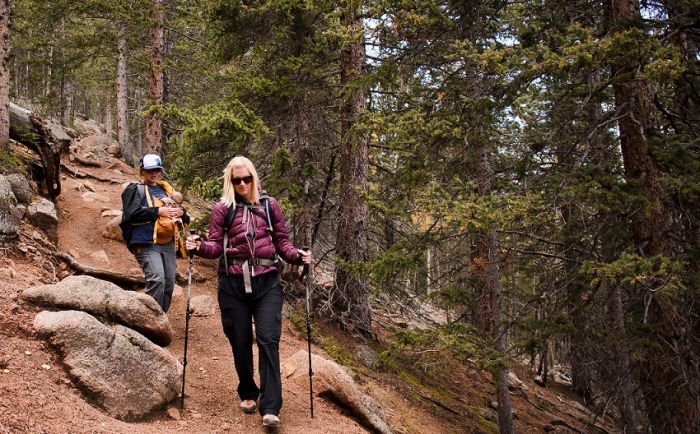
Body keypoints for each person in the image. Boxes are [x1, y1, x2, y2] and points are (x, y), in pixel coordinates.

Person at [186, 156, 312, 428]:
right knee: (240, 340)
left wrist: (297, 257)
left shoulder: (270, 206)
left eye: (246, 178)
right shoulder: (223, 208)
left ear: (254, 177)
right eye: (236, 180)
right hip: (232, 285)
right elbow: (215, 246)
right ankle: (247, 391)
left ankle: (270, 406)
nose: (242, 184)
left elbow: (282, 243)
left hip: (267, 282)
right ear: (229, 182)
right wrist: (197, 247)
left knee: (268, 339)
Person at [121, 154, 189, 313]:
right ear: (142, 171)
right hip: (147, 243)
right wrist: (159, 211)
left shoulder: (166, 189)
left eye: (157, 170)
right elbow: (131, 215)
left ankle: (160, 319)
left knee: (169, 283)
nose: (154, 174)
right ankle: (148, 319)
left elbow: (185, 216)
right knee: (157, 280)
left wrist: (181, 213)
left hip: (168, 243)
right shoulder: (134, 190)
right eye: (150, 170)